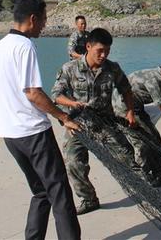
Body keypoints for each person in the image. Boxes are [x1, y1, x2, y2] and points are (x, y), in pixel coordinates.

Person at [0, 0, 81, 240]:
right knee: (59, 193)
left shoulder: (1, 45)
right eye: (44, 19)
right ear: (33, 19)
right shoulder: (25, 46)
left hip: (10, 134)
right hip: (32, 133)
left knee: (40, 191)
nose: (44, 25)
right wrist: (62, 116)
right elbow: (32, 92)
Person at [51, 28, 138, 215]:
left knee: (127, 155)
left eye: (107, 50)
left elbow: (126, 89)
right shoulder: (69, 68)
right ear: (88, 47)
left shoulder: (112, 68)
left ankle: (144, 189)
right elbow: (56, 95)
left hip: (105, 123)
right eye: (100, 50)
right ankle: (89, 198)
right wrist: (72, 103)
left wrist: (130, 111)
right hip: (78, 124)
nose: (104, 55)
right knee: (74, 163)